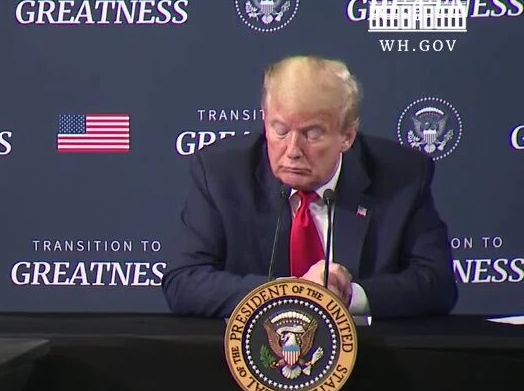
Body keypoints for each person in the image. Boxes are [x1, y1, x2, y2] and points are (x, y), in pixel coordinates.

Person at [162, 55, 458, 319]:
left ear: (347, 136)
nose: (292, 149)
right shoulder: (221, 174)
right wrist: (289, 293)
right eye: (280, 130)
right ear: (264, 120)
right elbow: (184, 281)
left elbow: (437, 283)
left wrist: (348, 296)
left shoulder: (401, 176)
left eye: (312, 134)